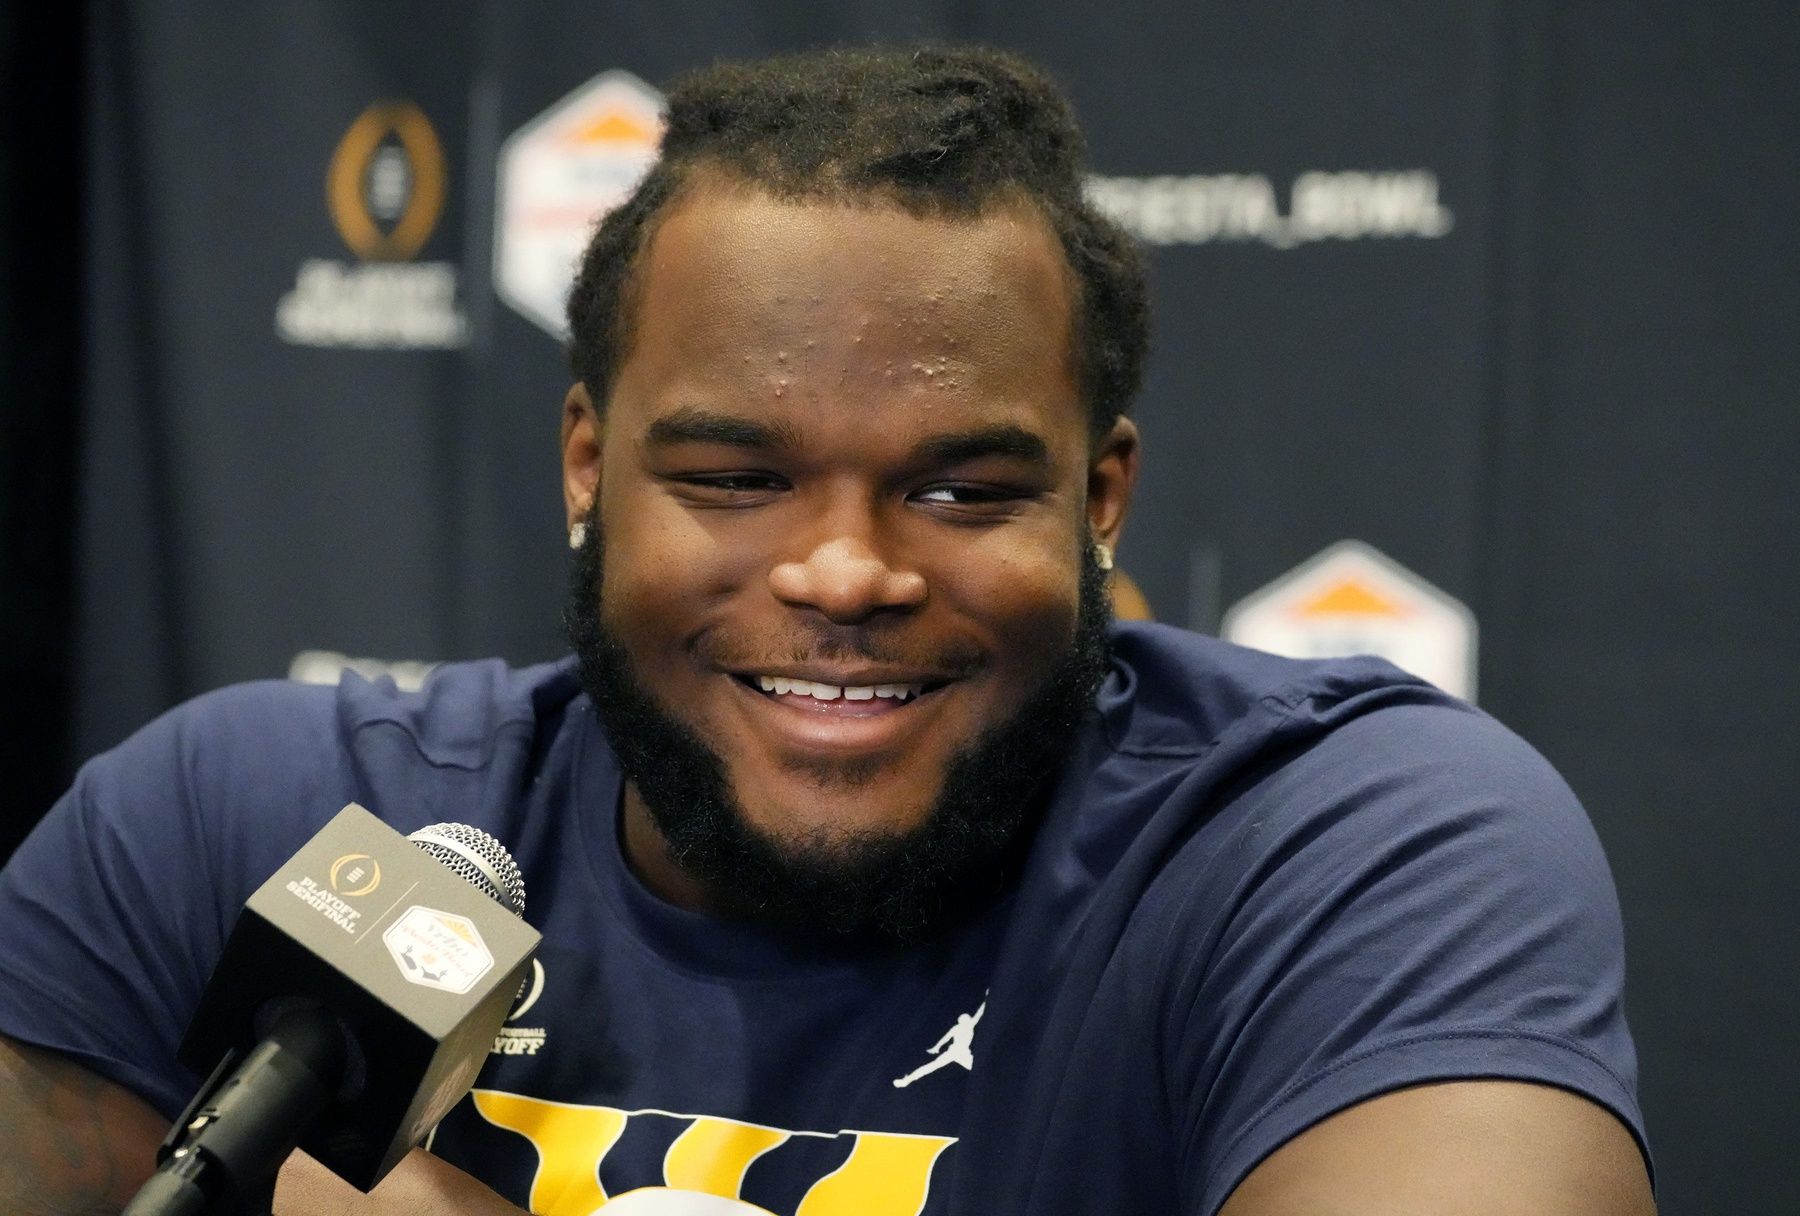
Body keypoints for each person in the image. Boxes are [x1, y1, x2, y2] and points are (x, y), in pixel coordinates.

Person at [0, 46, 1654, 1215]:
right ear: (589, 462)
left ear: (1102, 501)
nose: (846, 573)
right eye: (738, 474)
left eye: (958, 489)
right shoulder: (255, 823)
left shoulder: (1339, 847)